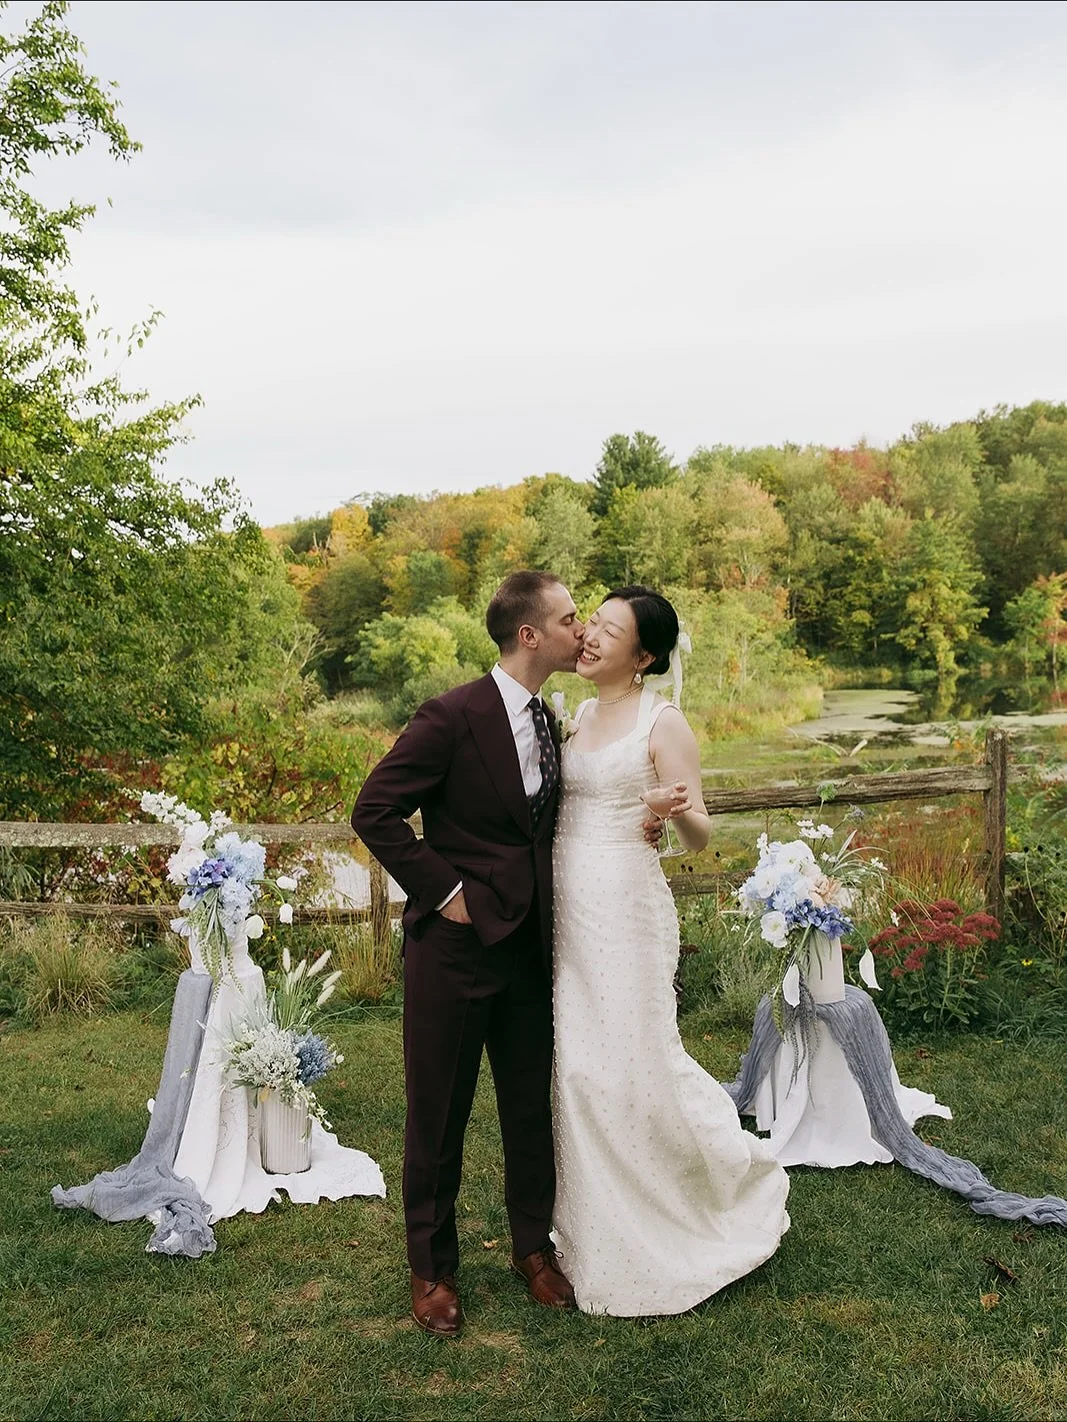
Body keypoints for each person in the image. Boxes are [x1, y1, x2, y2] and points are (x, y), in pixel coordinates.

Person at [351, 570, 584, 1337]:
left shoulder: (550, 720)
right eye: (569, 617)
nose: (580, 629)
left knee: (528, 1106)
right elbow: (375, 810)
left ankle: (532, 1250)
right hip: (452, 952)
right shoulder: (450, 715)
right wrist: (442, 893)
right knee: (437, 1114)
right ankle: (431, 1271)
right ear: (529, 635)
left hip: (528, 951)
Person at [551, 585, 791, 1316]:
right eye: (591, 621)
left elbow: (701, 835)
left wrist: (673, 812)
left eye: (609, 630)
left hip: (623, 908)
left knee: (631, 1059)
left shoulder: (663, 721)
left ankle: (700, 1193)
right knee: (576, 1062)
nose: (589, 636)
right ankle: (590, 1221)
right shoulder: (578, 714)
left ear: (644, 655)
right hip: (565, 906)